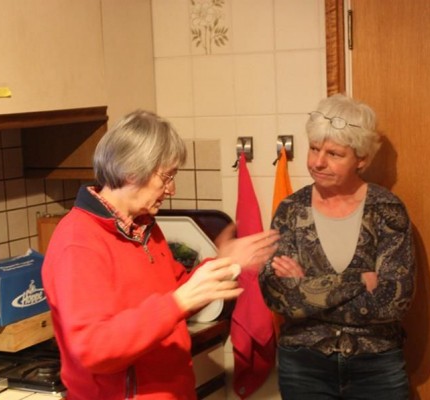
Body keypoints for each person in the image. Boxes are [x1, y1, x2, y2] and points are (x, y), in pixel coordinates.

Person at [41, 110, 279, 400]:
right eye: (167, 177)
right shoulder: (79, 242)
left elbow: (175, 290)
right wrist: (178, 303)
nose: (172, 189)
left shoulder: (144, 229)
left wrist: (225, 264)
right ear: (132, 170)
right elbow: (93, 348)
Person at [259, 94, 416, 399]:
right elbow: (277, 295)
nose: (318, 162)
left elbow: (395, 301)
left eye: (334, 153)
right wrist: (359, 281)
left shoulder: (386, 209)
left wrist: (307, 288)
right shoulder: (291, 209)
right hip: (304, 366)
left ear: (362, 159)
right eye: (314, 148)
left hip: (376, 365)